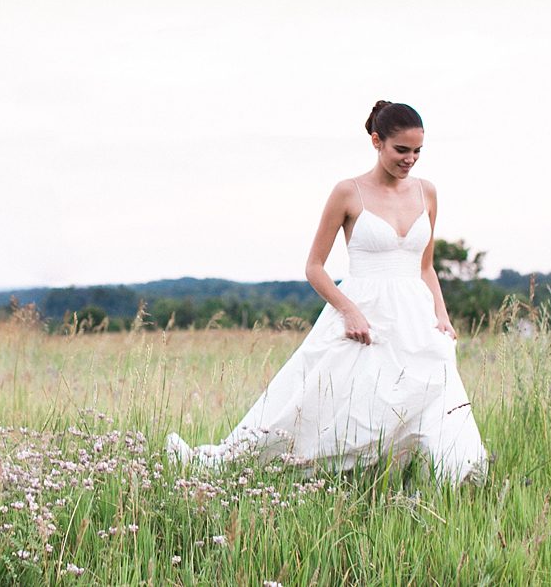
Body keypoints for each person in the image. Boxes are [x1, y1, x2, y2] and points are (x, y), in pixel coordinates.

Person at [166, 101, 489, 485]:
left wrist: (442, 316)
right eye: (401, 150)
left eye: (417, 151)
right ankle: (241, 464)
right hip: (364, 311)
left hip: (416, 316)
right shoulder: (348, 192)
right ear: (376, 142)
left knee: (434, 395)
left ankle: (437, 481)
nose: (410, 159)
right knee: (317, 399)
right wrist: (348, 311)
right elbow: (314, 267)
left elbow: (425, 266)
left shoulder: (427, 193)